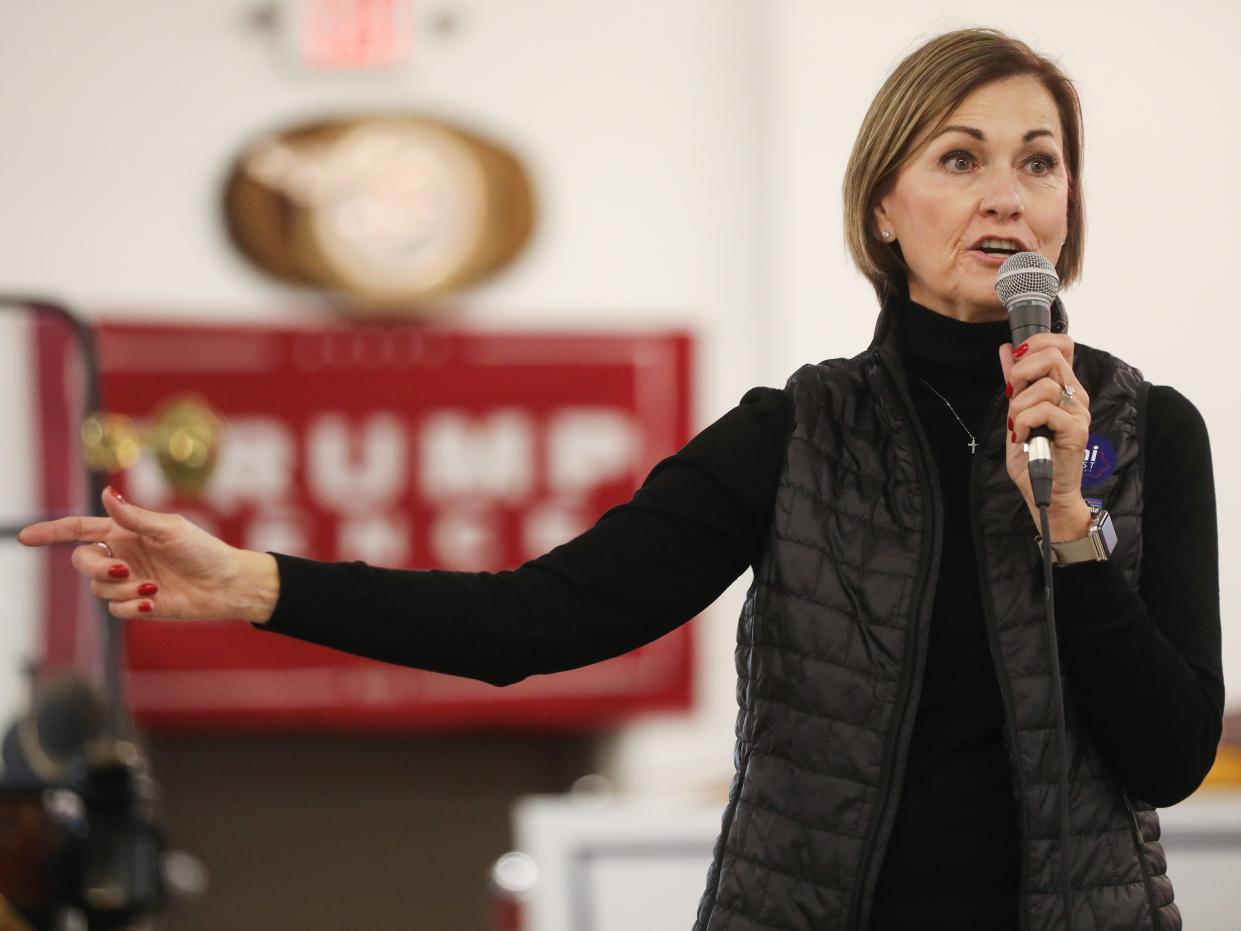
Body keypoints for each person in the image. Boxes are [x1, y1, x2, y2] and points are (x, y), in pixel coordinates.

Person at [18, 27, 1221, 931]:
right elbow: (535, 621)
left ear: (1069, 209)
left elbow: (1168, 758)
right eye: (959, 157)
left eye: (1039, 162)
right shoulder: (794, 435)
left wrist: (1068, 529)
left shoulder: (1146, 434)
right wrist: (256, 584)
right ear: (883, 210)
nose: (1006, 193)